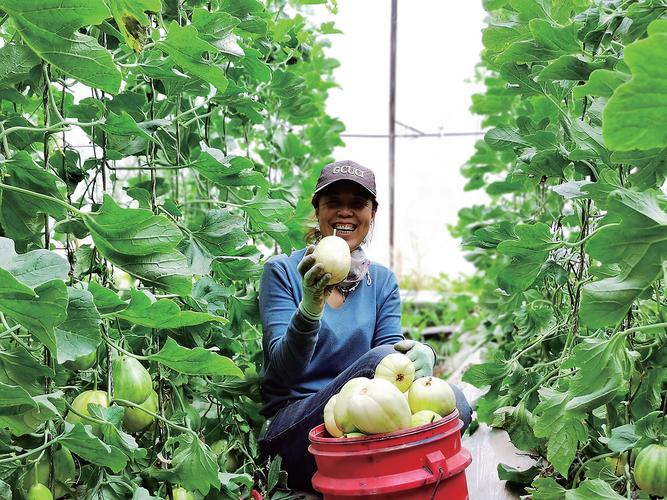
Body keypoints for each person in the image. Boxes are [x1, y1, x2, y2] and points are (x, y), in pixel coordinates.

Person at [257, 160, 473, 492]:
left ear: (371, 214)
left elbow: (395, 367)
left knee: (456, 403)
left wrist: (422, 354)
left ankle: (375, 476)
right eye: (333, 203)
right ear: (317, 211)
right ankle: (391, 471)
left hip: (357, 429)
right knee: (379, 362)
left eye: (357, 204)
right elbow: (282, 372)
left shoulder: (382, 280)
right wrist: (311, 306)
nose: (345, 212)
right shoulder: (282, 271)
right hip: (296, 431)